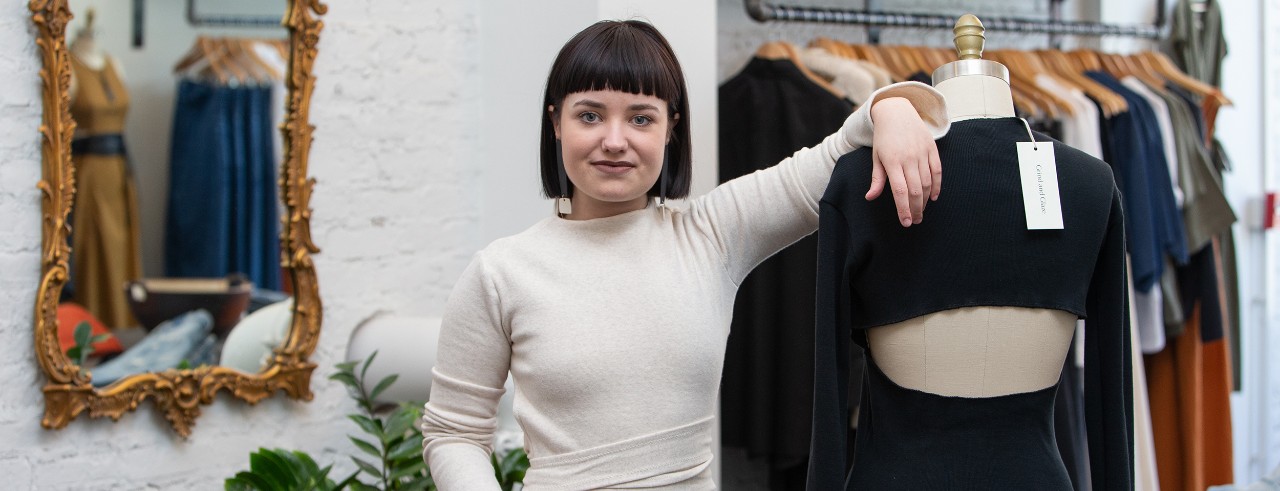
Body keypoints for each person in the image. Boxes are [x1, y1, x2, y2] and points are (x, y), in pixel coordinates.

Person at [420, 19, 949, 489]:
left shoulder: (712, 234)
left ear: (670, 128)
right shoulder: (501, 272)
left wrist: (891, 107)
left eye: (641, 119)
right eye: (590, 115)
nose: (614, 140)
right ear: (556, 122)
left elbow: (835, 155)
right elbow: (452, 432)